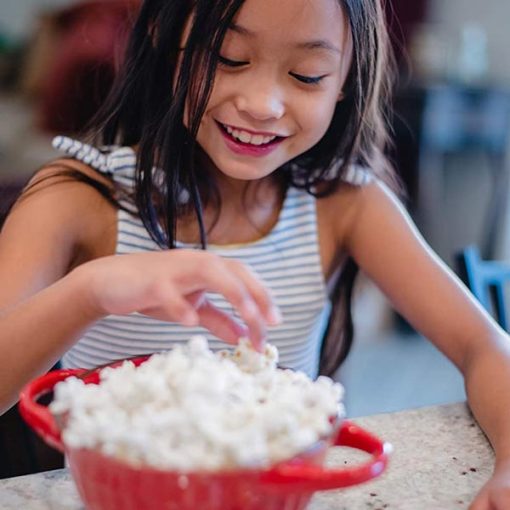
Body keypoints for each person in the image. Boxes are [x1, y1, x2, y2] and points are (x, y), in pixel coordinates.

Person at [1, 0, 510, 506]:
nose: (263, 103)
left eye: (307, 75)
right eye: (228, 58)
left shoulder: (346, 203)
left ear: (346, 79)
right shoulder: (74, 200)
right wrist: (90, 291)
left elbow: (484, 346)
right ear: (163, 35)